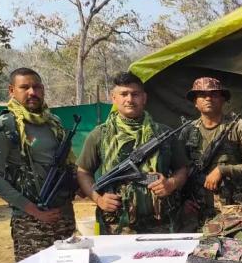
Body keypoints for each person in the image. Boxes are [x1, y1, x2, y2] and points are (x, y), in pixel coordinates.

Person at [77, 71, 188, 235]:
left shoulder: (164, 133)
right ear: (114, 98)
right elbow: (83, 172)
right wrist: (98, 199)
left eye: (135, 94)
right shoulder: (100, 135)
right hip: (117, 225)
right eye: (124, 94)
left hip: (161, 223)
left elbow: (182, 169)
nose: (129, 99)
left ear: (144, 98)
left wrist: (171, 183)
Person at [0, 68, 76, 260]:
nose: (32, 92)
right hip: (30, 223)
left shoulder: (54, 123)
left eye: (37, 87)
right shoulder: (5, 126)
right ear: (11, 91)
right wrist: (34, 210)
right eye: (25, 87)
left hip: (64, 217)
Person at [178, 77, 242, 230]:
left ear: (223, 99)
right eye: (202, 95)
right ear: (195, 102)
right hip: (198, 213)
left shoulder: (239, 127)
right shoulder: (187, 131)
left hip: (234, 213)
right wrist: (183, 201)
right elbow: (179, 171)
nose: (208, 98)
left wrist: (223, 170)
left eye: (214, 94)